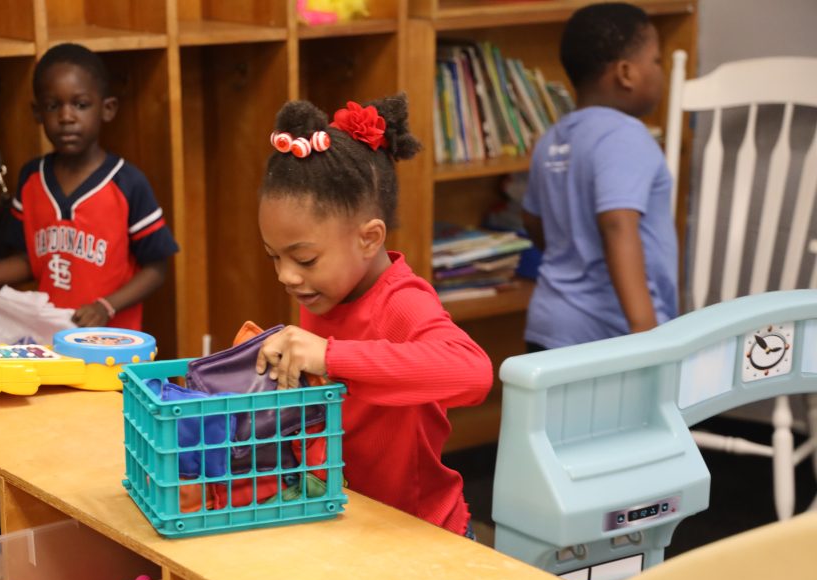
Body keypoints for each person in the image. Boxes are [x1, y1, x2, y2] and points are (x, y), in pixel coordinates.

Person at [254, 95, 493, 537]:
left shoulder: (402, 302)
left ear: (369, 239)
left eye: (304, 259)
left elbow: (474, 372)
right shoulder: (328, 292)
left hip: (423, 537)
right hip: (358, 526)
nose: (287, 276)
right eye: (275, 257)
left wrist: (330, 356)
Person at [0, 43, 178, 331]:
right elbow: (30, 262)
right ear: (38, 113)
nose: (66, 117)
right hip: (52, 340)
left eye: (80, 104)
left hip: (114, 347)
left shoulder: (127, 183)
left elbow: (157, 267)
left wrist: (107, 306)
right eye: (54, 106)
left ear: (107, 109)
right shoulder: (31, 179)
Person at [522, 2, 676, 351]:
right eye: (655, 60)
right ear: (626, 73)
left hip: (550, 322)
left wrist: (574, 253)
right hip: (609, 334)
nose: (660, 70)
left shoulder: (554, 137)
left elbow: (532, 220)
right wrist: (645, 332)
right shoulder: (625, 135)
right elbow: (617, 223)